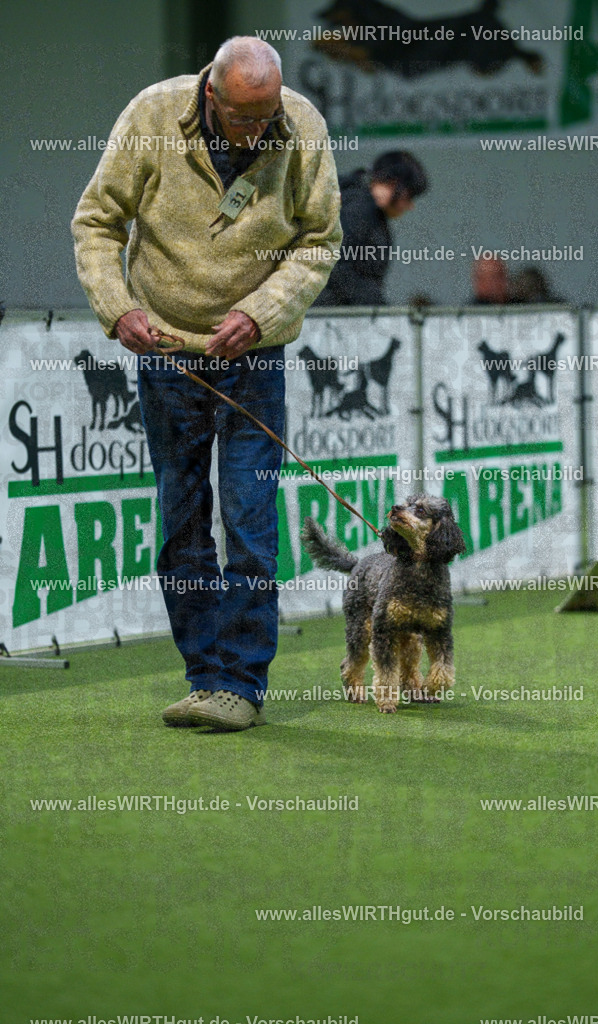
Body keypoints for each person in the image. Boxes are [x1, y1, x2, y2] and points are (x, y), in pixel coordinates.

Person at [71, 37, 342, 732]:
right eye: (244, 116)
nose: (259, 130)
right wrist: (117, 308)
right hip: (165, 350)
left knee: (250, 522)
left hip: (256, 354)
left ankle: (241, 685)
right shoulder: (151, 113)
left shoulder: (301, 124)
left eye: (267, 114)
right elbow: (97, 222)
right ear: (210, 94)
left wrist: (262, 312)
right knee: (182, 522)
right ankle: (204, 677)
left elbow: (319, 240)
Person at [315, 151, 428, 306]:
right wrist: (376, 307)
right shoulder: (360, 206)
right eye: (409, 197)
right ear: (394, 185)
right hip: (329, 314)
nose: (410, 206)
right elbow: (335, 264)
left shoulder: (360, 204)